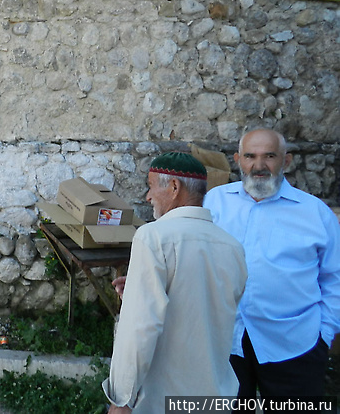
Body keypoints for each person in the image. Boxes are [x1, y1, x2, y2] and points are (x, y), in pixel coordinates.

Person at [103, 152, 247, 413]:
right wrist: (138, 290)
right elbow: (206, 308)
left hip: (162, 399)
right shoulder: (232, 246)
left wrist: (121, 398)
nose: (148, 196)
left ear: (174, 187)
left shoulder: (153, 237)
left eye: (151, 186)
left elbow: (139, 328)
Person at [203, 128, 340, 404]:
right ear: (237, 160)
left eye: (270, 156)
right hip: (224, 343)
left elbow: (334, 278)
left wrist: (324, 334)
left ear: (286, 161)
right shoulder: (214, 202)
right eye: (250, 156)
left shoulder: (315, 213)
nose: (259, 165)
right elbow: (191, 254)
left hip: (294, 345)